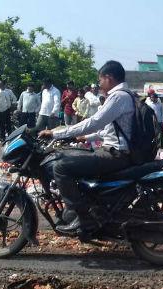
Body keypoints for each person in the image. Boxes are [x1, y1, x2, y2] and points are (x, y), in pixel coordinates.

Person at [37, 60, 136, 233]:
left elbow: (95, 122)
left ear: (109, 77)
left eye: (100, 80)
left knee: (61, 167)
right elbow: (108, 131)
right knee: (71, 155)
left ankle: (82, 217)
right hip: (114, 151)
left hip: (115, 155)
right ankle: (90, 206)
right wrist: (82, 137)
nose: (99, 84)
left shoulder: (118, 96)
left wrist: (56, 133)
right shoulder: (125, 95)